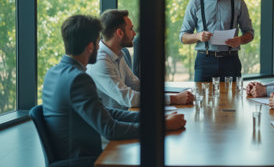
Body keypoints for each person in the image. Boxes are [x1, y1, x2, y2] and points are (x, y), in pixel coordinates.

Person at [42, 15, 186, 165]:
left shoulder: (53, 73)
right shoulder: (78, 80)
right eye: (98, 43)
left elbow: (107, 112)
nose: (100, 47)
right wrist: (163, 126)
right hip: (87, 160)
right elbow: (110, 129)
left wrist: (155, 120)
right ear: (90, 47)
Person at [87, 10, 194, 110]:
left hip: (126, 116)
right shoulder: (100, 61)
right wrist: (174, 99)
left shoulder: (119, 54)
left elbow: (136, 85)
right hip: (113, 124)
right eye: (131, 29)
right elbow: (129, 98)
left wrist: (174, 95)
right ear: (119, 33)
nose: (134, 33)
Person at [180, 0, 254, 82]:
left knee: (232, 99)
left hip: (231, 61)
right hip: (204, 61)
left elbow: (250, 33)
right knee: (202, 99)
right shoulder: (195, 3)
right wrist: (198, 36)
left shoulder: (238, 2)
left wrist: (240, 40)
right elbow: (183, 37)